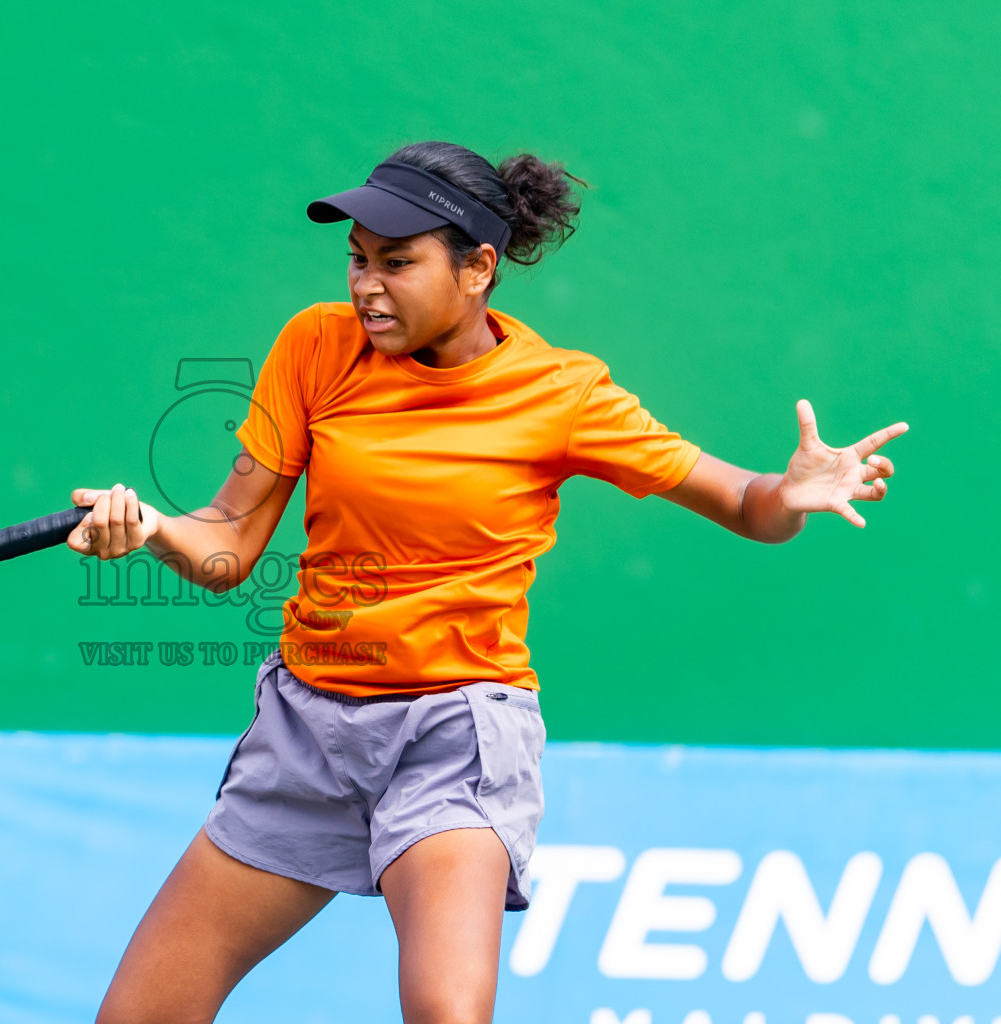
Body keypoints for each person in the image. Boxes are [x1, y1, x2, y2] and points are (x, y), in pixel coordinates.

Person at [67, 141, 907, 1024]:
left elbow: (742, 500)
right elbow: (228, 545)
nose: (366, 286)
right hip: (307, 729)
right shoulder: (316, 347)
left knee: (447, 1012)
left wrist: (791, 492)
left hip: (455, 734)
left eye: (397, 263)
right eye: (356, 260)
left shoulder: (562, 392)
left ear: (477, 269)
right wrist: (154, 530)